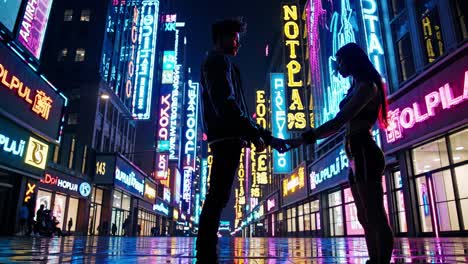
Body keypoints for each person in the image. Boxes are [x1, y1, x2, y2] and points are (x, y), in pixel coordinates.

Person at [288, 43, 393, 264]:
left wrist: (307, 137)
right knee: (364, 216)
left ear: (352, 60)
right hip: (355, 154)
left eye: (341, 61)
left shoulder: (367, 86)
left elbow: (339, 121)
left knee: (374, 214)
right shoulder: (356, 85)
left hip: (364, 151)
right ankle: (374, 259)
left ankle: (381, 260)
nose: (338, 66)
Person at [197, 17, 288, 264]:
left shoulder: (225, 64)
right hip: (226, 137)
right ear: (222, 37)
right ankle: (205, 251)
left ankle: (206, 250)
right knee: (218, 194)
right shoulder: (217, 62)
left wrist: (266, 137)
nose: (238, 42)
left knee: (219, 193)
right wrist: (253, 134)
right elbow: (226, 104)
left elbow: (239, 110)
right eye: (234, 37)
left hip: (229, 136)